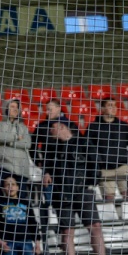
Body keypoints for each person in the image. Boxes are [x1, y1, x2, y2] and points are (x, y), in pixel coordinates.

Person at [43, 122, 115, 255]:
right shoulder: (51, 147)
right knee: (67, 230)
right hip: (62, 194)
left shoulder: (83, 142)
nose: (50, 131)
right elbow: (46, 166)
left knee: (95, 226)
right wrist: (46, 173)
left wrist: (90, 183)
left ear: (62, 127)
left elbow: (95, 164)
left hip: (83, 191)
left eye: (52, 128)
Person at [31, 98, 77, 231]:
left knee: (69, 202)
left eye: (50, 109)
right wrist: (38, 162)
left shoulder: (69, 124)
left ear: (58, 108)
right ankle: (53, 231)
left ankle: (66, 229)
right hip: (50, 171)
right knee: (50, 202)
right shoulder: (42, 127)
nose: (48, 112)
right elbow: (32, 147)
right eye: (46, 109)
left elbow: (78, 143)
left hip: (69, 170)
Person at [86, 98, 128, 202]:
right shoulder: (93, 127)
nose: (114, 108)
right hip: (104, 169)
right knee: (109, 199)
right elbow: (87, 147)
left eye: (115, 105)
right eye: (110, 105)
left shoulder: (123, 126)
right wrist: (99, 161)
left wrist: (124, 157)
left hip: (122, 167)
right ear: (102, 108)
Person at [0, 98, 36, 187]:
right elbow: (0, 137)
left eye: (17, 107)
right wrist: (17, 137)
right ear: (5, 108)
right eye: (12, 106)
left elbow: (27, 143)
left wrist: (10, 143)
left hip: (22, 168)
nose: (15, 109)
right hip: (5, 166)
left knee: (22, 194)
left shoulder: (23, 127)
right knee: (0, 193)